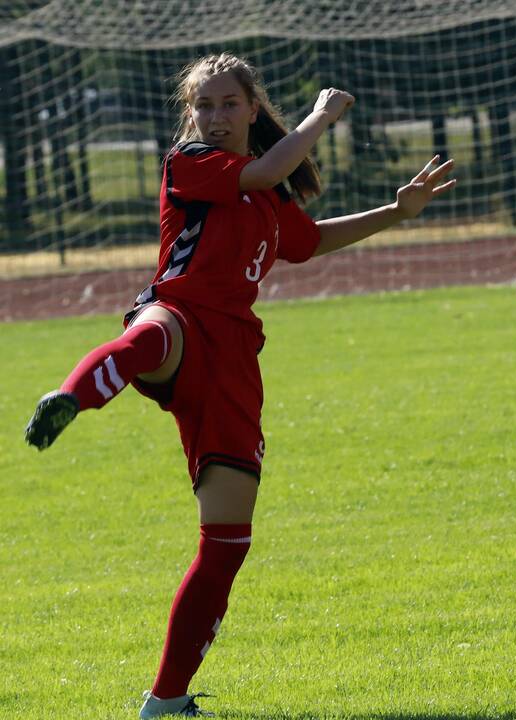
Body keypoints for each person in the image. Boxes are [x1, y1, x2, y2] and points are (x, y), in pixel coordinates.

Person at [24, 53, 455, 719]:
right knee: (153, 335)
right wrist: (319, 116)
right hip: (183, 315)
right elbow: (267, 166)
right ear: (190, 116)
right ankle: (71, 397)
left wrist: (397, 211)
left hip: (233, 365)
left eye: (229, 104)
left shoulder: (268, 195)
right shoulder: (192, 162)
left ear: (252, 108)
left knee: (226, 543)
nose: (215, 117)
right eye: (205, 105)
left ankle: (164, 703)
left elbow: (307, 240)